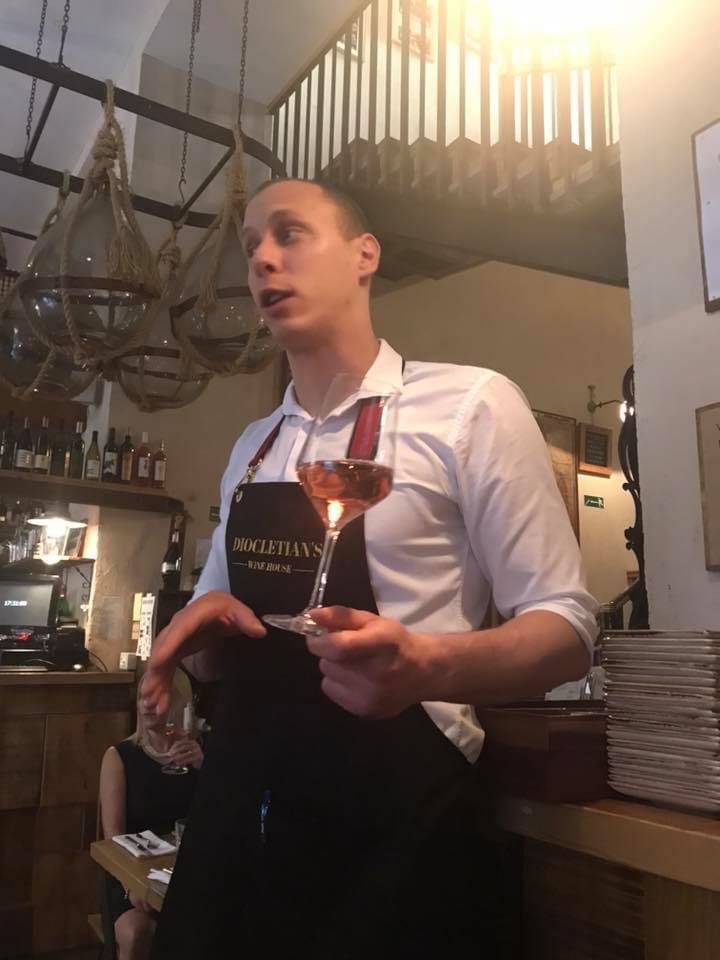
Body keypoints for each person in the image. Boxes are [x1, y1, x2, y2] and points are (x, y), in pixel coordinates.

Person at [144, 178, 597, 958]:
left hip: (396, 828)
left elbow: (569, 631)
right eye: (251, 247)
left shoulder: (469, 406)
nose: (262, 260)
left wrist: (427, 664)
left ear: (365, 255)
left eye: (289, 234)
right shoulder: (254, 445)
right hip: (239, 819)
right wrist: (189, 645)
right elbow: (226, 624)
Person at [99, 673, 203, 960]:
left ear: (179, 703)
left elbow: (223, 818)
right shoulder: (119, 756)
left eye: (155, 697)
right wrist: (132, 885)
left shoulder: (197, 756)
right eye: (142, 697)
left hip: (184, 876)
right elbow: (113, 837)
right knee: (137, 932)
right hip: (129, 877)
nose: (145, 705)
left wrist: (206, 768)